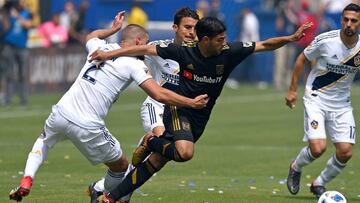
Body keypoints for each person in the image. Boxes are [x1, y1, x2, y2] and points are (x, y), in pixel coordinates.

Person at [89, 17, 312, 202]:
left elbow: (265, 44)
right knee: (185, 152)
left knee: (158, 160)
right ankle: (150, 141)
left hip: (201, 116)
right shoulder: (182, 51)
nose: (225, 43)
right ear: (205, 40)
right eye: (220, 39)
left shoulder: (229, 52)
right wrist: (108, 54)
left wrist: (291, 38)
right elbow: (144, 48)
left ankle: (111, 198)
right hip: (179, 108)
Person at [8, 11, 208, 202]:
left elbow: (91, 35)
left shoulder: (100, 48)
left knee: (44, 140)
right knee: (123, 165)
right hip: (96, 122)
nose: (191, 32)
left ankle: (28, 178)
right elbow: (157, 93)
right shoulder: (136, 62)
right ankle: (111, 193)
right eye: (187, 27)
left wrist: (114, 28)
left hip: (60, 111)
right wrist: (191, 103)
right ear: (139, 43)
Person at [87, 7, 199, 203]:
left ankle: (101, 187)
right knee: (160, 140)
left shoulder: (199, 54)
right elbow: (132, 49)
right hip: (156, 106)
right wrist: (106, 55)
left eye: (195, 28)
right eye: (187, 27)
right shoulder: (159, 48)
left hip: (178, 113)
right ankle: (122, 195)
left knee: (157, 159)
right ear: (175, 27)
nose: (191, 32)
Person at [285, 3, 359, 199]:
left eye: (354, 21)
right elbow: (302, 58)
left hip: (342, 105)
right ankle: (296, 166)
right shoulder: (326, 40)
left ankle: (319, 183)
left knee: (345, 152)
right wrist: (292, 90)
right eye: (346, 19)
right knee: (318, 148)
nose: (349, 24)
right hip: (316, 98)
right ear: (342, 20)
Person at [1, 0, 33, 106]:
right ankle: (7, 99)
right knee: (9, 74)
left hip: (22, 47)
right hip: (9, 46)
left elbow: (28, 25)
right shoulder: (8, 12)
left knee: (22, 75)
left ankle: (24, 99)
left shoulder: (26, 13)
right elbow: (5, 25)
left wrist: (17, 16)